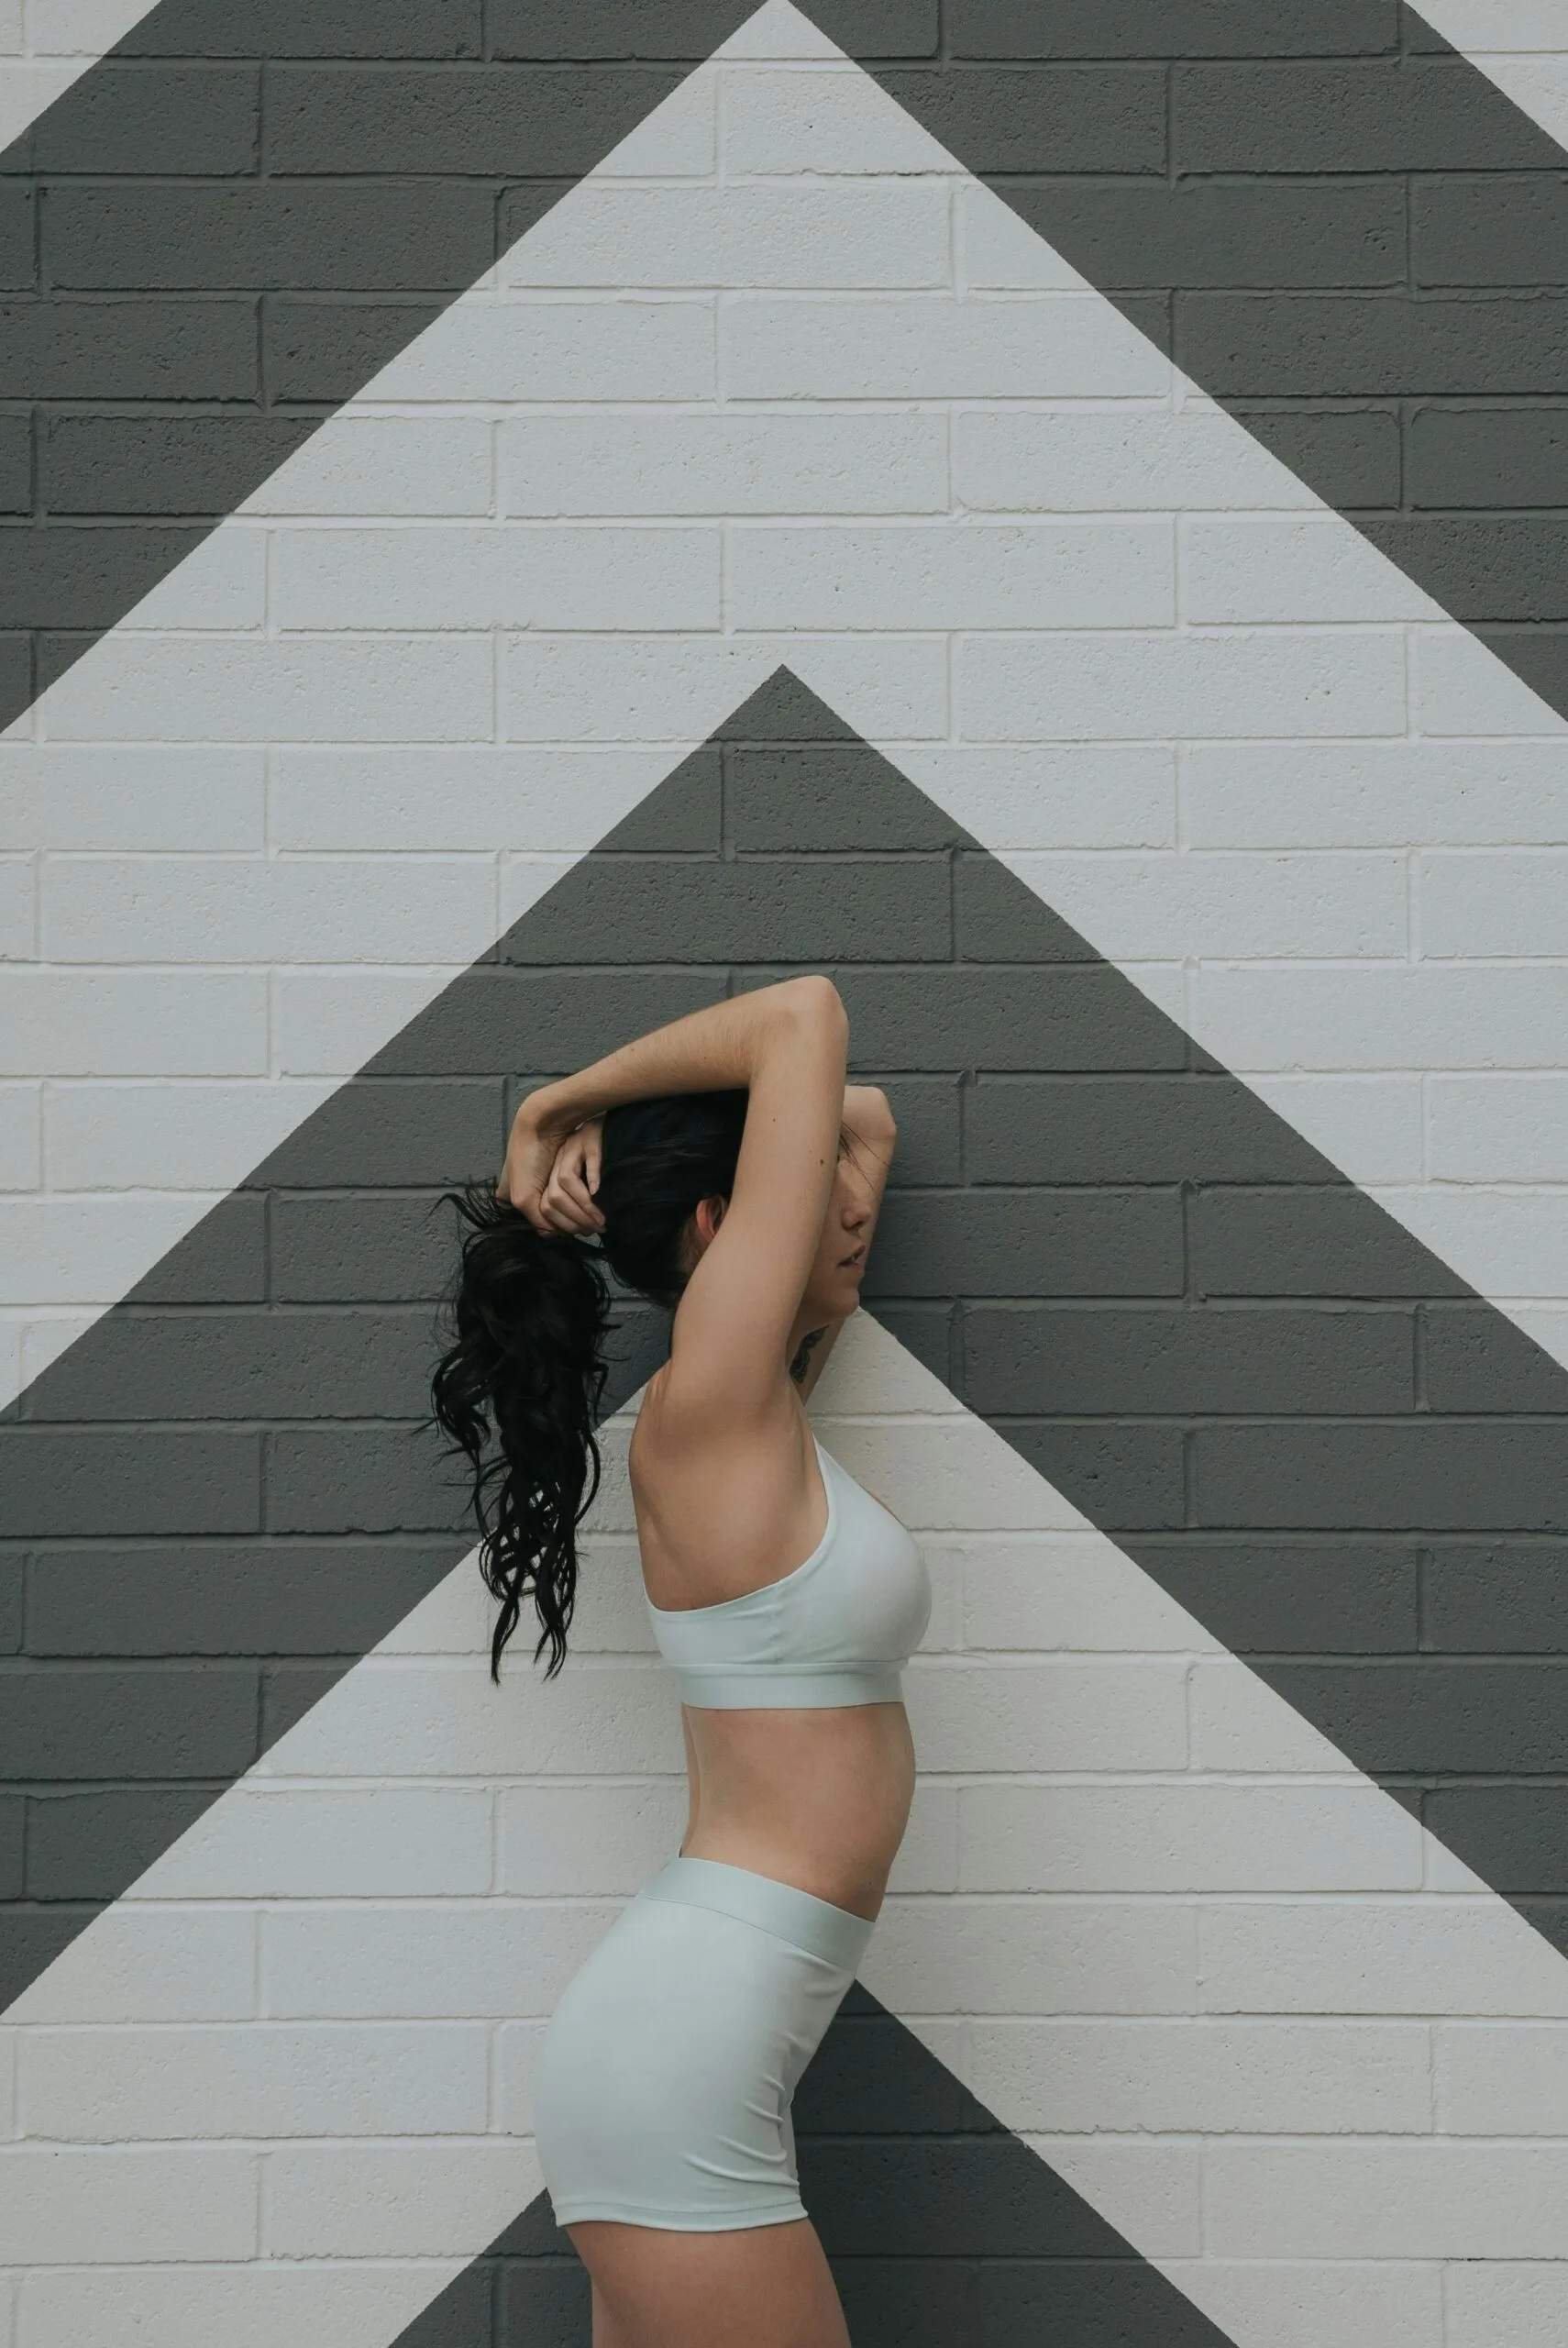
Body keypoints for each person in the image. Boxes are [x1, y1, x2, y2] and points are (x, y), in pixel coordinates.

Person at [431, 975, 931, 2348]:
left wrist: (805, 1142)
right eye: (805, 1182)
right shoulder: (710, 1396)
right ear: (723, 1227)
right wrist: (558, 1106)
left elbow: (866, 1120)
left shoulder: (749, 1411)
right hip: (680, 2067)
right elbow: (810, 1017)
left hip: (686, 2052)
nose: (846, 1207)